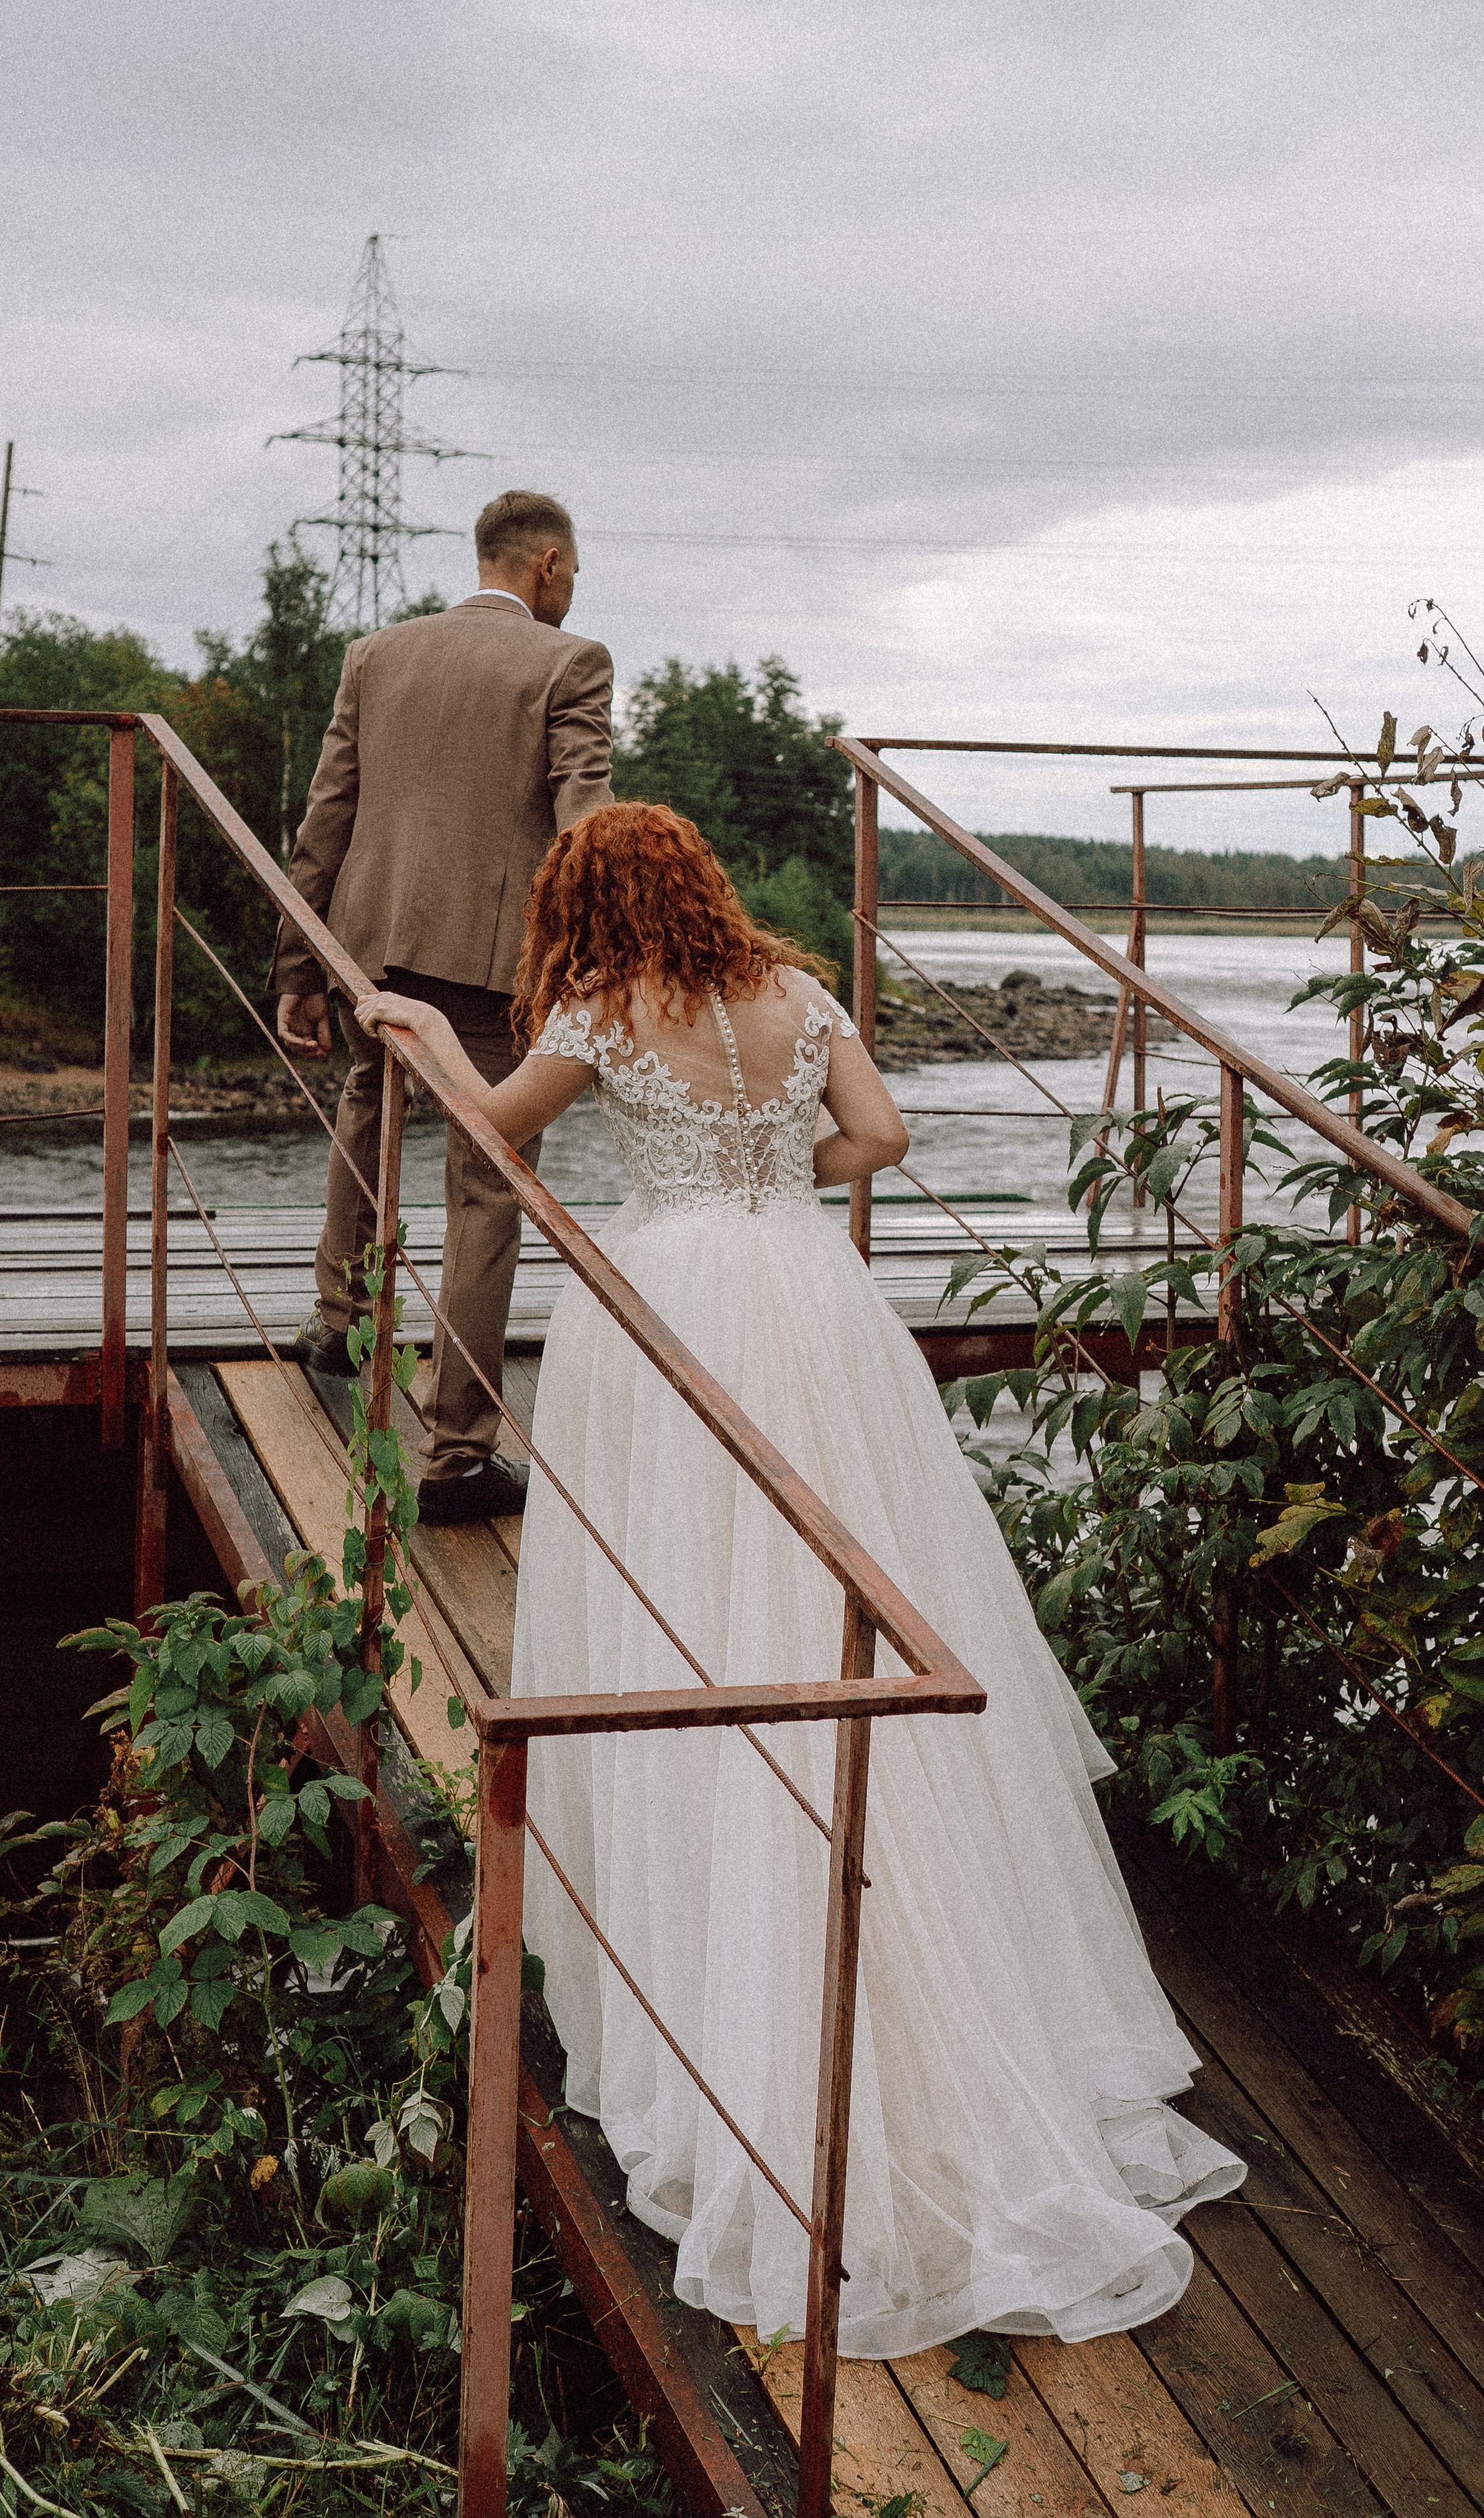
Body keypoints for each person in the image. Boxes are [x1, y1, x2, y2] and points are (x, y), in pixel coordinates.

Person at [354, 799, 1243, 2355]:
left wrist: (423, 1030)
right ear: (702, 882)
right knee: (853, 1559)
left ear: (586, 905)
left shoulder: (600, 1007)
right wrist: (776, 1178)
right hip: (813, 1293)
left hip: (672, 1293)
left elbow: (496, 1130)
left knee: (686, 1592)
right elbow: (882, 1142)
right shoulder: (798, 992)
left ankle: (718, 1945)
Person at [272, 489, 613, 1525]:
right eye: (573, 572)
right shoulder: (570, 662)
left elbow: (328, 811)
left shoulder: (377, 656)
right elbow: (585, 820)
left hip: (372, 944)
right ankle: (458, 1451)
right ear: (546, 564)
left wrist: (299, 964)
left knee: (368, 1104)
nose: (573, 589)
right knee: (487, 1182)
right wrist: (601, 950)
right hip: (494, 962)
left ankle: (339, 1319)